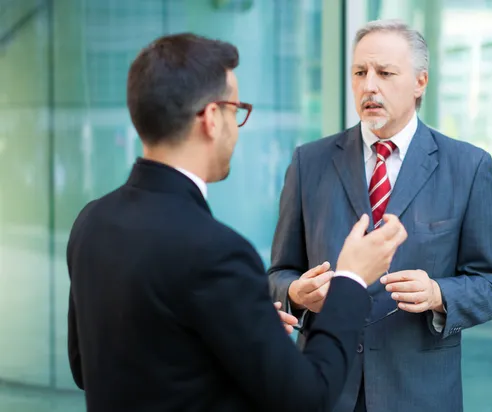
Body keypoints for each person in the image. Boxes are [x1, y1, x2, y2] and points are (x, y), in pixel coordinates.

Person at [66, 33, 407, 412]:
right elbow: (309, 396)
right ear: (212, 118)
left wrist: (247, 334)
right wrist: (351, 279)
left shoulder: (91, 223)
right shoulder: (216, 251)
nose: (236, 125)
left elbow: (88, 367)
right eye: (236, 109)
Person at [269, 19, 492, 412]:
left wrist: (438, 294)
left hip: (419, 393)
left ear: (420, 82)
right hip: (326, 389)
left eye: (385, 73)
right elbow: (278, 274)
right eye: (360, 72)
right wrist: (295, 294)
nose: (369, 86)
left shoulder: (468, 167)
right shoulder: (308, 162)